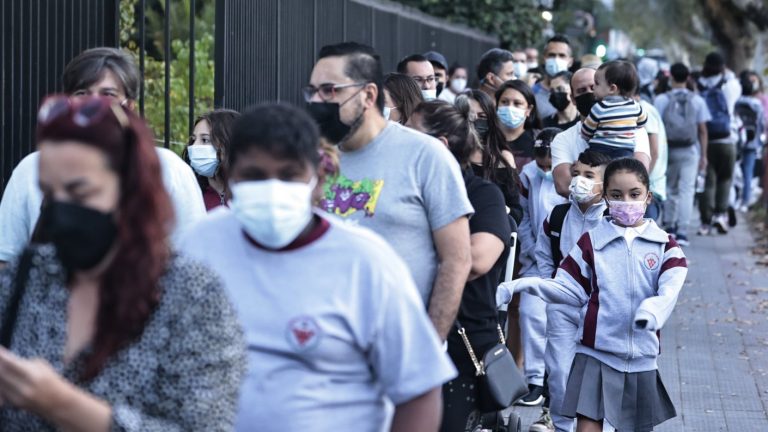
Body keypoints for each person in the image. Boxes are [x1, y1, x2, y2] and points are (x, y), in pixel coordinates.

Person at [180, 103, 454, 431]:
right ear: (232, 175)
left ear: (318, 176)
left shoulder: (366, 263)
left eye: (288, 175)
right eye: (254, 176)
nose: (271, 189)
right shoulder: (198, 247)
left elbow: (418, 387)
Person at [0, 95, 245, 430]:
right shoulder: (27, 277)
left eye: (80, 192)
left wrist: (61, 403)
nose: (60, 209)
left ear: (132, 191)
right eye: (49, 193)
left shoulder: (192, 295)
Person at [498, 158, 686, 432]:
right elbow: (567, 288)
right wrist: (519, 286)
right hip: (596, 354)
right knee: (586, 426)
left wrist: (651, 312)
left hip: (641, 359)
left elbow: (670, 290)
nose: (626, 202)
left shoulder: (665, 246)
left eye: (634, 194)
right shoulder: (591, 242)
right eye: (617, 195)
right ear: (606, 197)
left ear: (648, 197)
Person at [306, 42, 473, 341]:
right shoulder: (311, 160)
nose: (318, 101)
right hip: (325, 344)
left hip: (401, 345)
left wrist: (429, 344)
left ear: (369, 95)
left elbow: (456, 260)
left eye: (330, 90)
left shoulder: (426, 155)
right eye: (313, 91)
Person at [0, 47, 205, 266]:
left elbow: (196, 256)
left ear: (130, 106)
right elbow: (6, 259)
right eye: (82, 93)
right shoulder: (32, 168)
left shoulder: (169, 169)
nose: (94, 104)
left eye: (108, 95)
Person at [408, 99, 512, 432]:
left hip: (462, 339)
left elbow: (477, 260)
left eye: (409, 134)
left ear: (439, 146)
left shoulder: (482, 194)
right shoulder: (408, 192)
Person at [530, 149, 611, 432]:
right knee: (559, 372)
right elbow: (543, 252)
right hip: (563, 303)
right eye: (576, 173)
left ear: (604, 184)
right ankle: (563, 425)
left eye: (589, 175)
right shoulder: (558, 215)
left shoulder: (612, 219)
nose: (580, 180)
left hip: (601, 308)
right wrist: (552, 285)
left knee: (600, 373)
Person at [516, 128, 568, 407]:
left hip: (568, 262)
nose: (546, 171)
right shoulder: (528, 175)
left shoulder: (573, 177)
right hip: (536, 259)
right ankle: (535, 379)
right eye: (542, 166)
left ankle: (557, 380)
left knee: (560, 322)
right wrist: (530, 247)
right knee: (530, 314)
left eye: (551, 166)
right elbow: (524, 215)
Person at [550, 68, 653, 198]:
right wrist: (615, 190)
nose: (590, 94)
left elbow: (639, 178)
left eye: (594, 87)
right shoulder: (563, 139)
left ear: (609, 89)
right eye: (582, 91)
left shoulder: (635, 130)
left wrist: (582, 180)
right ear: (573, 98)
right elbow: (564, 186)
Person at [656, 63, 710, 245]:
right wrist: (704, 155)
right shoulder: (697, 101)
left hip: (668, 150)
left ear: (671, 77)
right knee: (687, 190)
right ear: (688, 78)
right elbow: (703, 130)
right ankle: (683, 232)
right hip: (690, 151)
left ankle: (669, 227)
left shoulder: (661, 100)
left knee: (670, 189)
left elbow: (656, 128)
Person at [696, 52, 741, 235]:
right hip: (727, 138)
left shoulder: (698, 84)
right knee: (725, 178)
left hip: (705, 139)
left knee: (708, 181)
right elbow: (736, 86)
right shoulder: (730, 85)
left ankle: (705, 222)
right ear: (723, 66)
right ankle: (721, 215)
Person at [464, 90, 523, 223]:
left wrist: (499, 210)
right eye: (469, 117)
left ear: (490, 120)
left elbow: (516, 211)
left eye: (482, 116)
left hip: (494, 228)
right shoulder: (449, 155)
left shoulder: (503, 158)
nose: (475, 121)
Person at [581, 60, 648, 160]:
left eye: (597, 83)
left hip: (599, 149)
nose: (593, 86)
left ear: (612, 89)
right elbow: (642, 122)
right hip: (625, 151)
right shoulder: (635, 106)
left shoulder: (600, 108)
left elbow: (586, 132)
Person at [182, 109, 240, 211]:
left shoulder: (250, 197)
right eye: (193, 139)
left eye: (205, 140)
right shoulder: (188, 195)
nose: (194, 146)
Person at [735, 70, 765, 212]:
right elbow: (762, 123)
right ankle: (745, 202)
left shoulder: (736, 103)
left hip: (737, 142)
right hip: (752, 142)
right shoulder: (757, 104)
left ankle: (732, 199)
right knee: (748, 173)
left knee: (734, 172)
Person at [496, 79, 543, 169]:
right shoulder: (486, 139)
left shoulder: (539, 140)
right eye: (504, 102)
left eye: (517, 103)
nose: (510, 107)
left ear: (529, 109)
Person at [534, 35, 574, 119]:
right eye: (551, 55)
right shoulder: (532, 93)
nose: (556, 59)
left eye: (562, 55)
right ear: (544, 59)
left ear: (570, 61)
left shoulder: (578, 91)